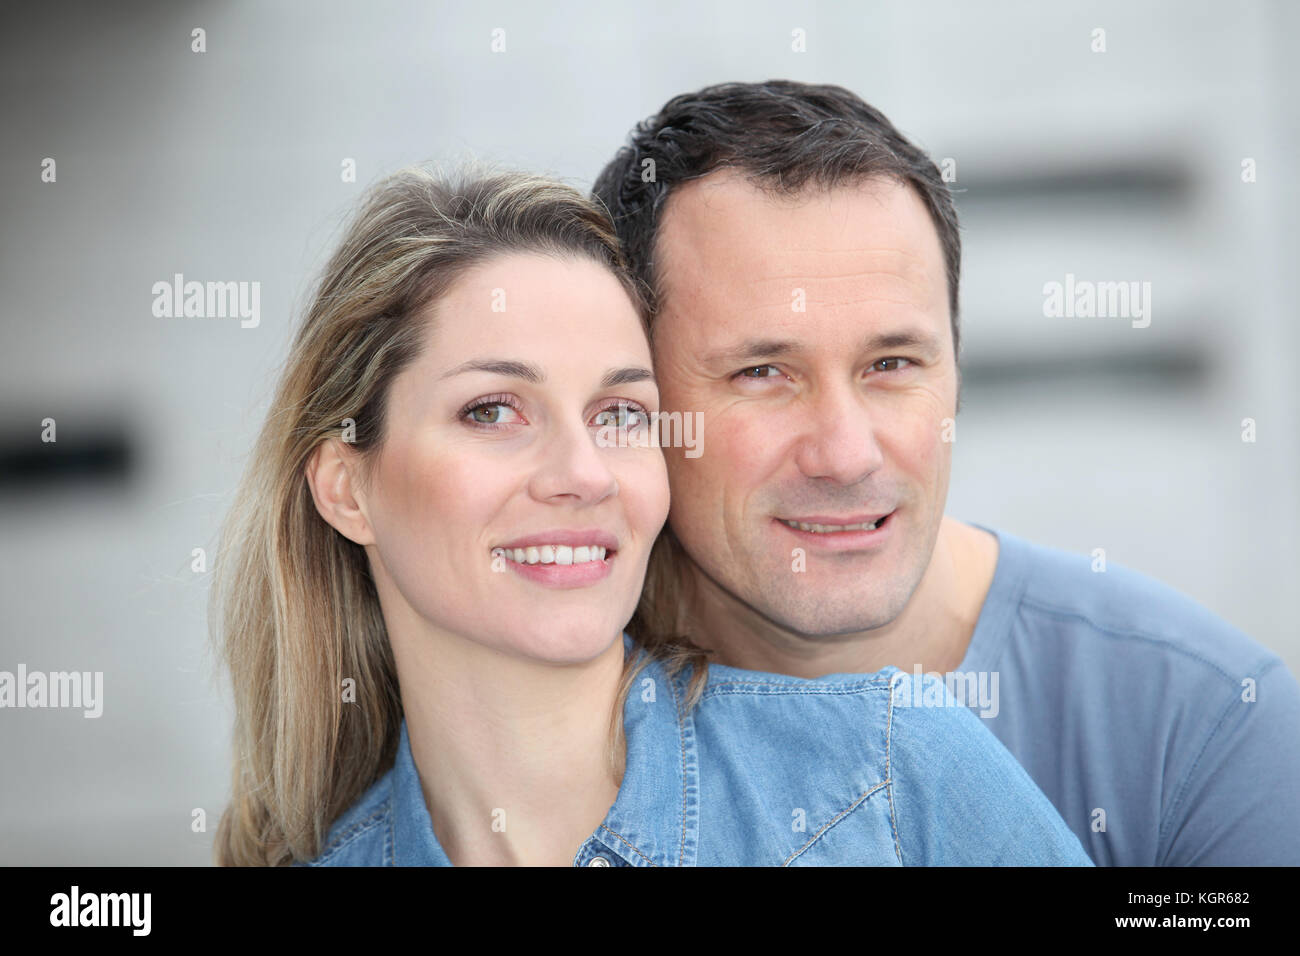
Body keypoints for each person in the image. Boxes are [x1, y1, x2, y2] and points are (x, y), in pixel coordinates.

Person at [209, 163, 1091, 866]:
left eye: (620, 414)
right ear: (344, 487)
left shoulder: (896, 782)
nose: (582, 473)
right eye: (493, 410)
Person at [592, 79, 1300, 866]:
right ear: (634, 403)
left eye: (891, 364)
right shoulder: (542, 706)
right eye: (763, 372)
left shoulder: (1204, 727)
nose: (847, 454)